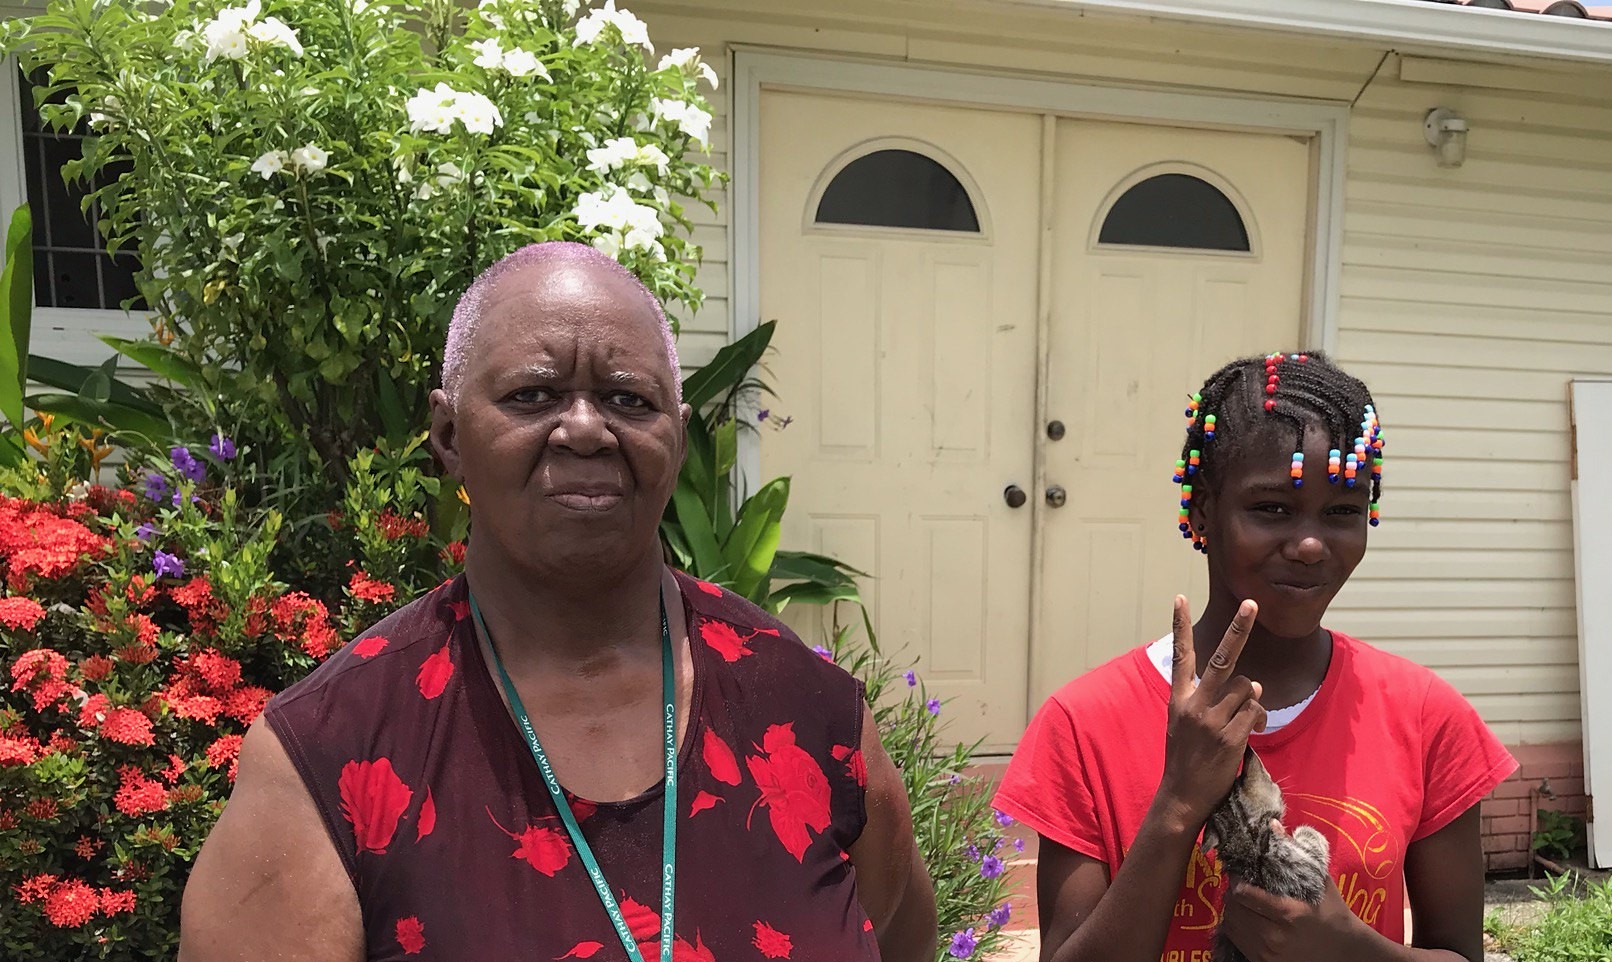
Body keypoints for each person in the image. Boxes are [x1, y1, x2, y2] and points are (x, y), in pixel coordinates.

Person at [181, 242, 936, 962]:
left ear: (677, 438)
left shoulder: (806, 712)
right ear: (448, 434)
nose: (585, 430)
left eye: (629, 399)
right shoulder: (333, 751)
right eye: (533, 395)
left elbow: (899, 936)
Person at [996, 351, 1516, 962]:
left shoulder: (1425, 715)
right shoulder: (1084, 724)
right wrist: (1178, 804)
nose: (1310, 543)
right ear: (1201, 510)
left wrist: (1348, 948)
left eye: (1343, 511)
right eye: (1272, 508)